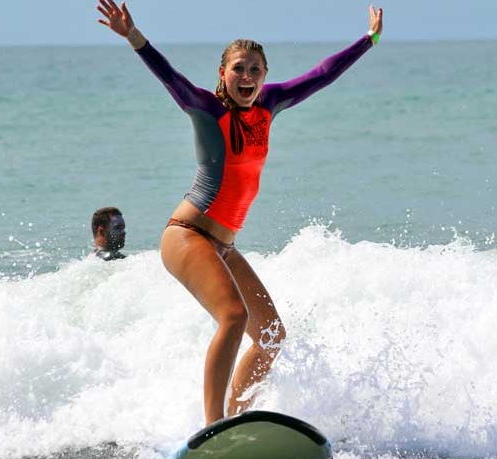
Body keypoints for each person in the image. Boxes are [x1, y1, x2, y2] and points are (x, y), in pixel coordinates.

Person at [97, 1, 383, 425]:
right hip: (186, 235)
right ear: (222, 74)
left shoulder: (270, 105)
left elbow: (322, 74)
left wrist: (369, 40)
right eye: (238, 69)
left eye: (255, 70)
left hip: (224, 246)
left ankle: (238, 419)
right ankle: (213, 428)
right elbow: (169, 76)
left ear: (264, 76)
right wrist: (134, 37)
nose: (246, 77)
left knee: (270, 336)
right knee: (234, 317)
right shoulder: (205, 108)